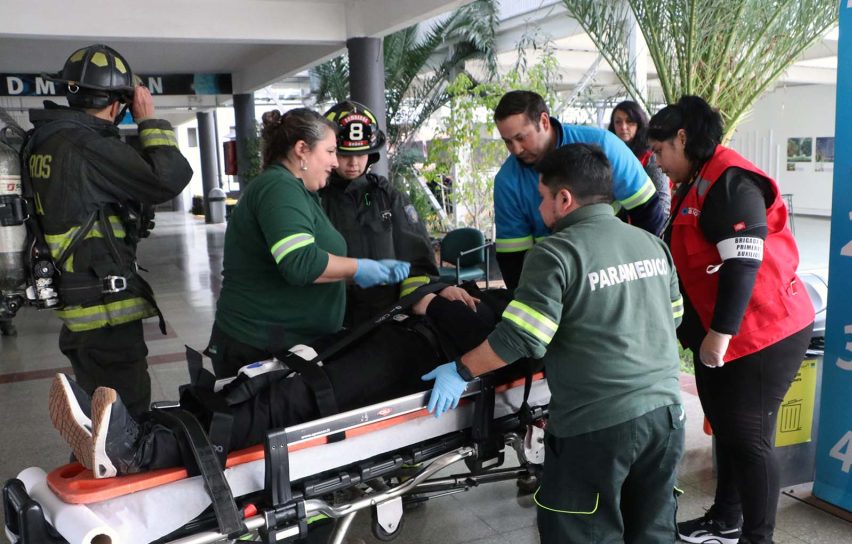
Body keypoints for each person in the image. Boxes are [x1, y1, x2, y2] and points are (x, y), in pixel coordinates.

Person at [423, 143, 685, 544]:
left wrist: (459, 369)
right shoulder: (650, 244)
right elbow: (671, 316)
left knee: (584, 522)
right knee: (652, 512)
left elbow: (521, 339)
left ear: (564, 199)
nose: (538, 209)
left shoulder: (557, 252)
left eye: (542, 198)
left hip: (598, 421)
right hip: (666, 411)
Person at [49, 287, 515, 475]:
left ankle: (143, 453)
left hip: (416, 365)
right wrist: (435, 301)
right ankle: (140, 427)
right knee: (267, 379)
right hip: (395, 340)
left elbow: (491, 339)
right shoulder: (518, 292)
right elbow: (435, 298)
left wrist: (437, 304)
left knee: (291, 401)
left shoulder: (538, 315)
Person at [647, 96, 814, 544]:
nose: (656, 161)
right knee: (724, 425)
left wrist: (719, 335)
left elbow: (744, 262)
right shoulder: (695, 178)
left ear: (682, 138)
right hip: (726, 331)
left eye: (660, 149)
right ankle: (726, 518)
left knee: (750, 436)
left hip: (765, 330)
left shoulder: (731, 181)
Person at [27, 44, 193, 417]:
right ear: (120, 103)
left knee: (100, 414)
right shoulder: (87, 145)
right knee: (124, 419)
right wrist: (149, 120)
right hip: (106, 310)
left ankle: (95, 465)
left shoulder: (46, 139)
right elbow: (169, 178)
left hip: (80, 302)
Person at [204, 107, 410, 378]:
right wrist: (359, 267)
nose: (336, 162)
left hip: (287, 343)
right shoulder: (279, 187)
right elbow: (299, 262)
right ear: (302, 149)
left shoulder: (299, 191)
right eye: (330, 151)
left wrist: (354, 277)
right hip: (259, 346)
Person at [320, 100, 478, 325]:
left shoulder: (389, 198)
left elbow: (418, 262)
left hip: (386, 318)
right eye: (345, 155)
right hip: (329, 320)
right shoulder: (314, 198)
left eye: (362, 154)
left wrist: (425, 295)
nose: (354, 163)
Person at [492, 90, 664, 290]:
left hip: (615, 271)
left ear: (544, 121)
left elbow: (649, 212)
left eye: (521, 138)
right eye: (507, 141)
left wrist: (636, 275)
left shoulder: (605, 146)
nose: (516, 149)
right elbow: (513, 261)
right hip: (556, 283)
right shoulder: (507, 182)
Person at [608, 100, 670, 229]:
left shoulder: (651, 157)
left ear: (639, 124)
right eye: (618, 122)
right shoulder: (608, 155)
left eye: (629, 121)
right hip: (616, 228)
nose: (623, 127)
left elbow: (662, 199)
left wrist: (656, 235)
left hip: (649, 227)